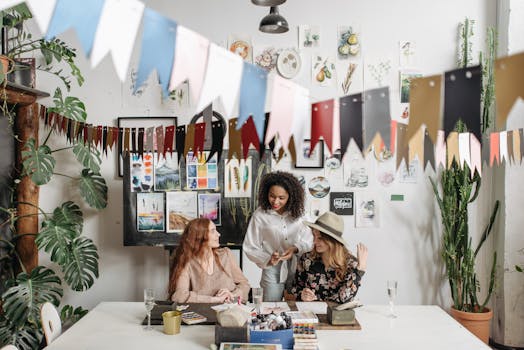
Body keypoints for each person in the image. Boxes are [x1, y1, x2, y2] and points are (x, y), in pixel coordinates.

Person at [243, 171, 313, 302]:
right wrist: (269, 259)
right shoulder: (260, 215)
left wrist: (295, 248)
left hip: (298, 267)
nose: (275, 201)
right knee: (270, 308)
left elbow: (310, 240)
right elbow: (250, 247)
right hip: (272, 268)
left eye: (281, 198)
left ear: (291, 197)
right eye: (272, 196)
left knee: (296, 309)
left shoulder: (301, 214)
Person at [289, 211, 368, 303]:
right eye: (314, 236)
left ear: (332, 241)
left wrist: (360, 269)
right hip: (310, 313)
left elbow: (344, 299)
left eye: (320, 238)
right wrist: (302, 294)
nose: (314, 241)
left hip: (336, 316)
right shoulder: (306, 259)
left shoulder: (350, 263)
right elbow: (295, 288)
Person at [169, 218, 250, 303]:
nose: (218, 234)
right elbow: (179, 296)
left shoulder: (226, 254)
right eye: (212, 231)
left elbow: (244, 285)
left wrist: (232, 294)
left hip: (230, 311)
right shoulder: (188, 262)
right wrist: (214, 300)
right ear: (200, 236)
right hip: (202, 314)